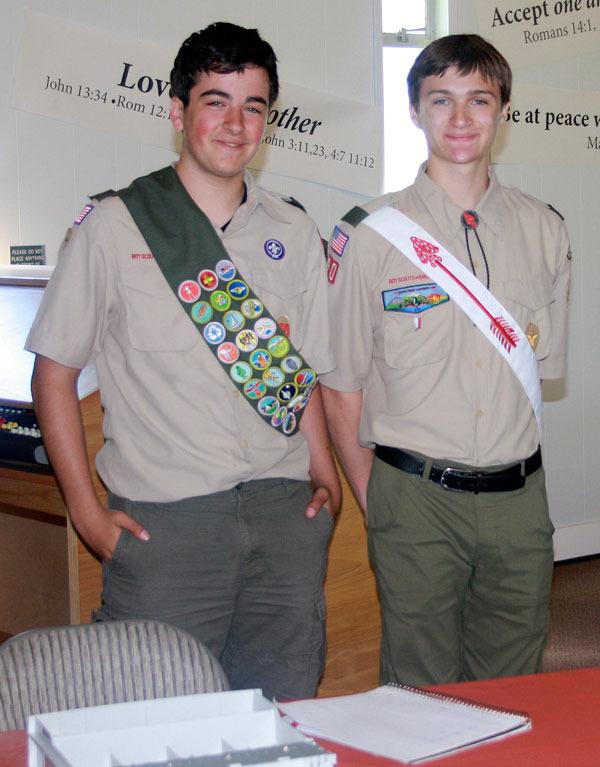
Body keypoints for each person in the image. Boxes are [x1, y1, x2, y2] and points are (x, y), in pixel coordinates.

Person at [26, 21, 340, 700]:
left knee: (281, 706)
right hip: (168, 524)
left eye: (253, 106)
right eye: (216, 101)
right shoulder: (115, 227)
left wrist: (325, 474)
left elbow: (301, 373)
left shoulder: (294, 230)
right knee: (159, 713)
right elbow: (53, 372)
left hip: (282, 517)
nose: (235, 124)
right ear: (178, 112)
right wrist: (86, 511)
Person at [321, 34, 570, 686]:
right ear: (415, 111)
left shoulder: (546, 229)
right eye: (441, 100)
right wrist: (375, 494)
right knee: (421, 688)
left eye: (479, 100)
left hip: (519, 499)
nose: (460, 119)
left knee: (516, 684)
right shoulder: (370, 233)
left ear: (504, 111)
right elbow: (340, 383)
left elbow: (540, 374)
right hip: (416, 495)